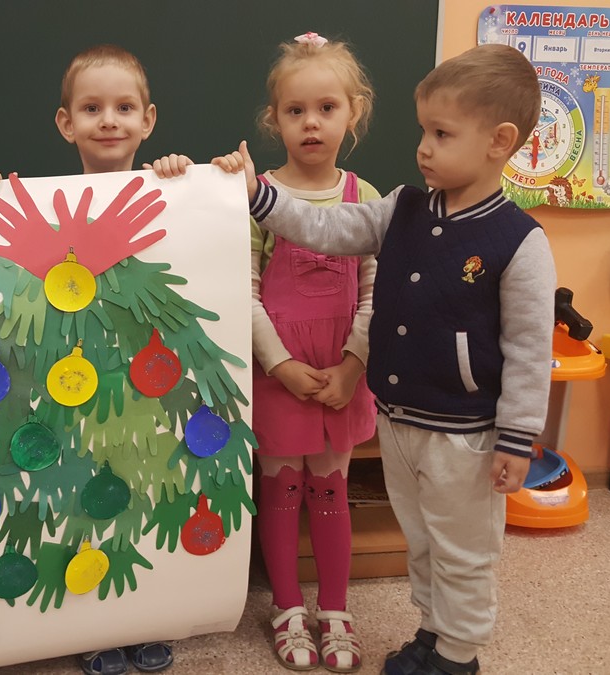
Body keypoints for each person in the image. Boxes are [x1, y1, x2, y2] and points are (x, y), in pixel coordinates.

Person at [215, 43, 555, 675]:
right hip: (403, 422)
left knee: (464, 548)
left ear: (499, 141)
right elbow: (330, 229)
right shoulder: (403, 207)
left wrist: (518, 436)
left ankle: (457, 655)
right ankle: (433, 634)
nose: (423, 148)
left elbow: (532, 350)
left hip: (465, 434)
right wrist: (261, 197)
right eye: (423, 131)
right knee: (421, 539)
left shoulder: (519, 240)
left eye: (441, 134)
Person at [247, 32, 378, 673]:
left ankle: (335, 610)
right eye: (295, 110)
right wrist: (280, 365)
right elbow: (242, 290)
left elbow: (378, 293)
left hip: (340, 377)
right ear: (275, 119)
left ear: (353, 112)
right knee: (281, 492)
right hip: (279, 375)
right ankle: (287, 607)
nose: (311, 123)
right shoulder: (255, 196)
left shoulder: (366, 198)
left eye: (327, 108)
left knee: (329, 490)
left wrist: (353, 366)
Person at [55, 44, 182, 675]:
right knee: (82, 493)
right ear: (66, 123)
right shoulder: (50, 203)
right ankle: (93, 621)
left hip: (150, 381)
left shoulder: (175, 191)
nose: (109, 120)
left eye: (124, 107)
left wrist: (197, 177)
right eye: (92, 108)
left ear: (148, 119)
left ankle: (145, 613)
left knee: (147, 489)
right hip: (74, 380)